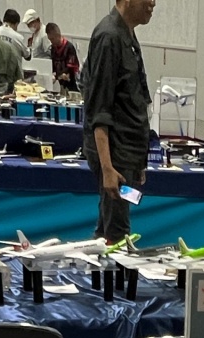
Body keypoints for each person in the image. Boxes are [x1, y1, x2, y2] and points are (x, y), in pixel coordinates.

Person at [82, 0, 153, 241]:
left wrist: (139, 160)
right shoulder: (109, 37)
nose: (153, 3)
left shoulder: (127, 34)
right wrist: (107, 168)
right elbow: (99, 109)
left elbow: (133, 101)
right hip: (115, 155)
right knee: (117, 236)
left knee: (107, 231)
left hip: (127, 154)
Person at [47, 20, 78, 88]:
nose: (51, 41)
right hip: (60, 84)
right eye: (49, 39)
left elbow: (70, 68)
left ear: (58, 35)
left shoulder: (69, 48)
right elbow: (53, 65)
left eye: (52, 39)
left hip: (70, 84)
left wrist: (58, 75)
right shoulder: (53, 48)